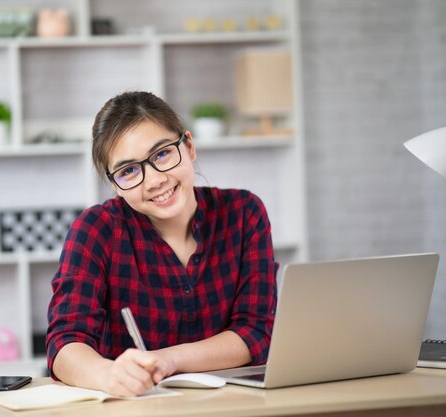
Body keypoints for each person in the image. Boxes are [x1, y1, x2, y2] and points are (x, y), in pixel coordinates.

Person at [46, 91, 277, 397]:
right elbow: (64, 344)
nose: (154, 180)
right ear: (116, 185)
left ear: (189, 146)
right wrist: (108, 374)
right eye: (129, 171)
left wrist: (168, 359)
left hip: (234, 405)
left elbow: (255, 332)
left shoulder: (244, 213)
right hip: (136, 408)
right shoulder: (96, 231)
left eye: (162, 154)